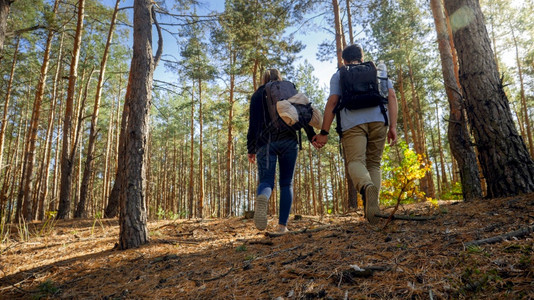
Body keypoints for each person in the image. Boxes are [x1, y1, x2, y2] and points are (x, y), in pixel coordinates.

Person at [312, 44, 398, 224]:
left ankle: (366, 187)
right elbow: (392, 97)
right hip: (379, 120)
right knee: (374, 163)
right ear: (362, 56)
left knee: (355, 161)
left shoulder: (339, 74)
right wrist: (393, 127)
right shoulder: (377, 71)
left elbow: (333, 102)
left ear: (343, 60)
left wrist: (324, 132)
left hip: (352, 123)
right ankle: (373, 210)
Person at [247, 69, 317, 232]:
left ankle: (263, 197)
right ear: (279, 78)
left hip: (266, 143)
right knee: (286, 183)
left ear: (263, 79)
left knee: (266, 181)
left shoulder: (258, 95)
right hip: (289, 141)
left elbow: (253, 124)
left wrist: (251, 148)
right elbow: (302, 113)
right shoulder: (288, 90)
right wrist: (311, 135)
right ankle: (282, 226)